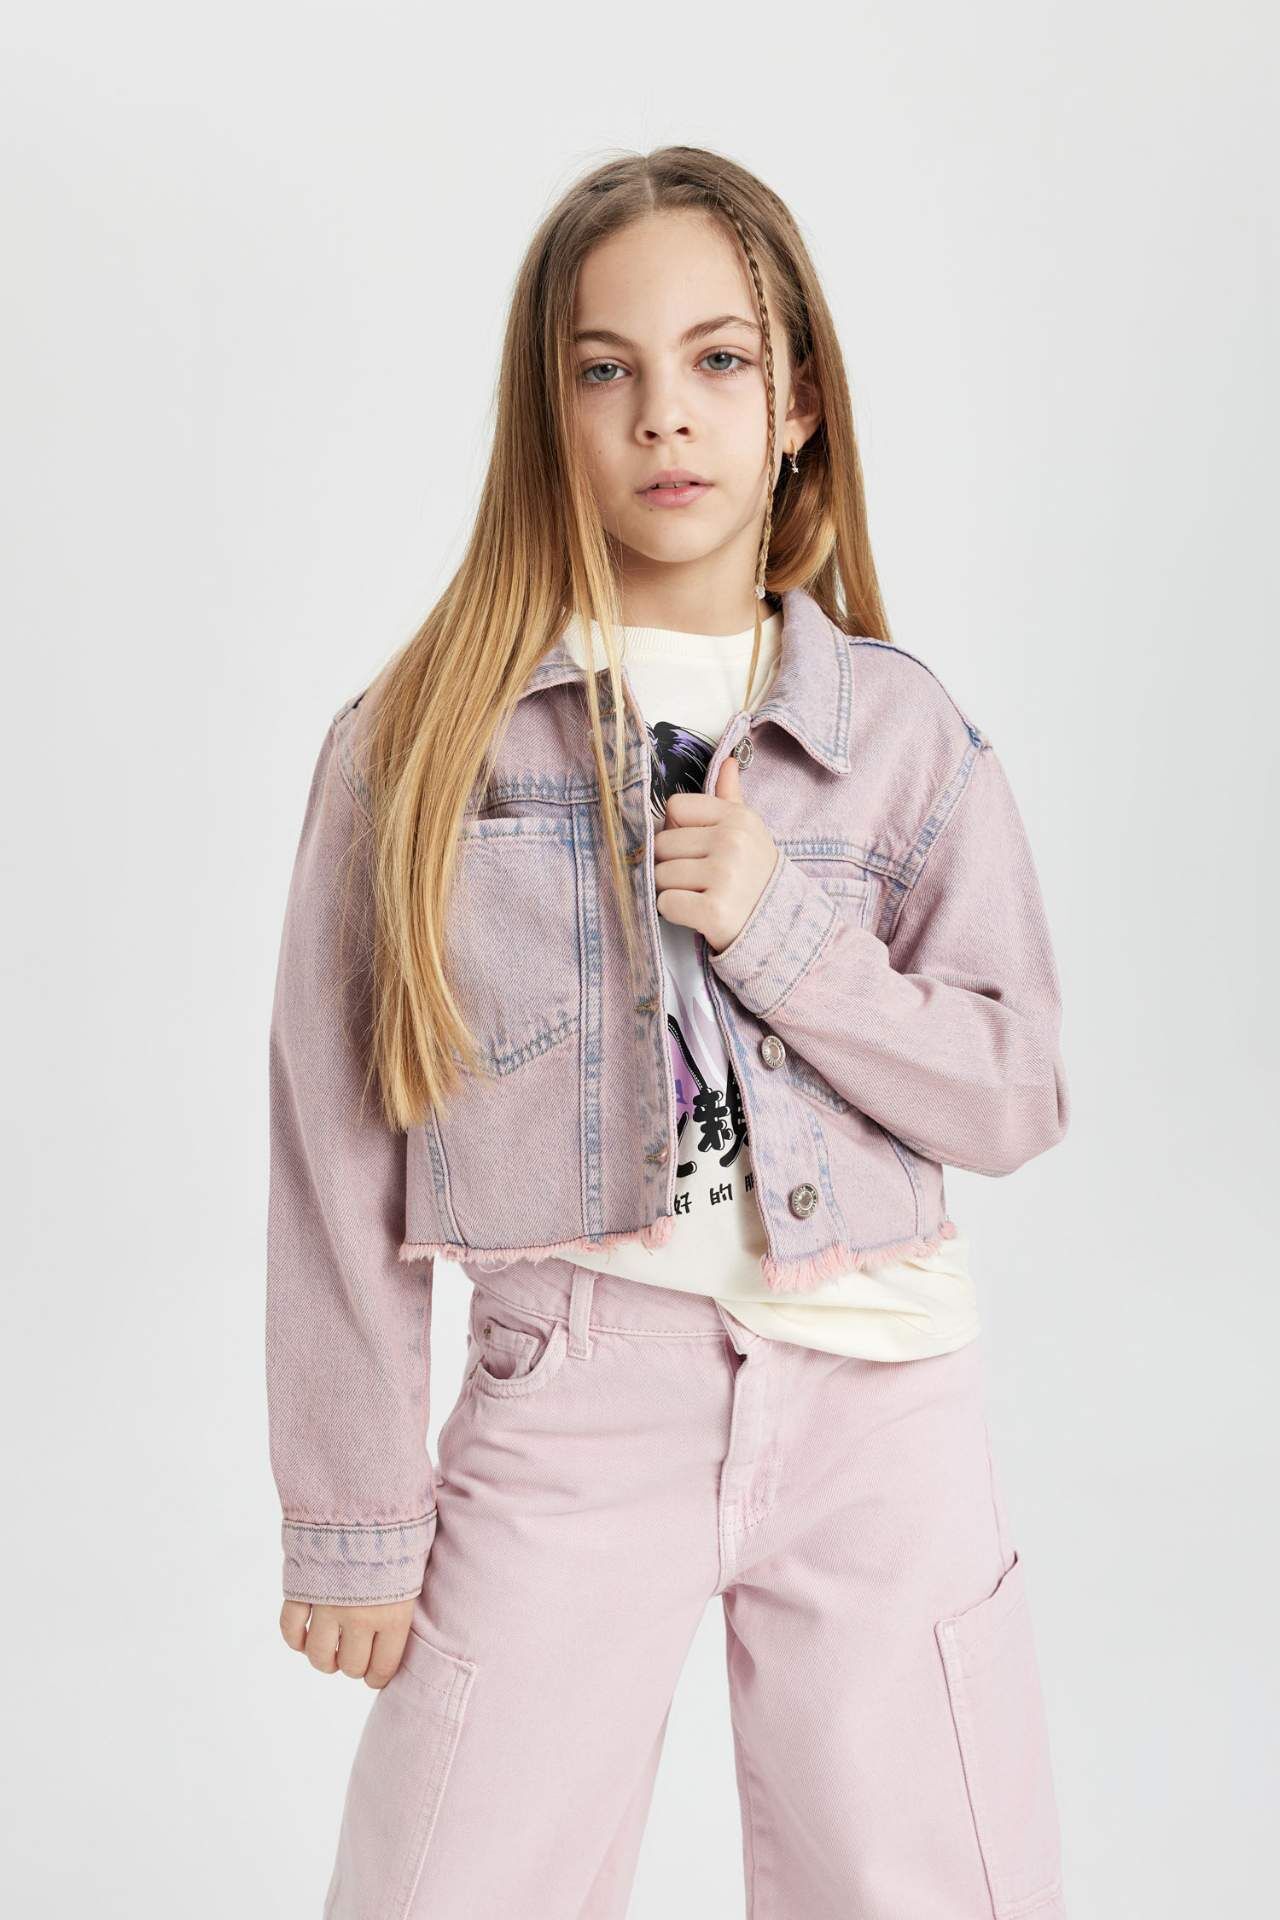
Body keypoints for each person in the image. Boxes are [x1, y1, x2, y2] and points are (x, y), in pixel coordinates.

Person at [265, 145, 1072, 1919]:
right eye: (603, 368)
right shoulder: (419, 746)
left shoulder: (904, 737)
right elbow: (334, 1149)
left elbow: (1016, 1092)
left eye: (718, 359)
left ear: (798, 404)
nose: (664, 416)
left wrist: (787, 933)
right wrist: (352, 1516)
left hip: (881, 1407)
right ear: (546, 412)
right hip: (571, 1397)